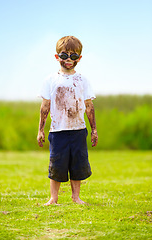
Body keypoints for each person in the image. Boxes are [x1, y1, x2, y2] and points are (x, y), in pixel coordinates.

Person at [37, 36, 98, 205]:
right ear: (57, 57)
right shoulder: (50, 80)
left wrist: (94, 130)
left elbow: (89, 106)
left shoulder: (83, 80)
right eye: (64, 55)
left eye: (74, 56)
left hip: (78, 129)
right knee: (56, 164)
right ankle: (53, 198)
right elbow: (44, 106)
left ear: (80, 58)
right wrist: (40, 130)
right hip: (57, 131)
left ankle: (76, 197)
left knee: (78, 164)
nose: (69, 59)